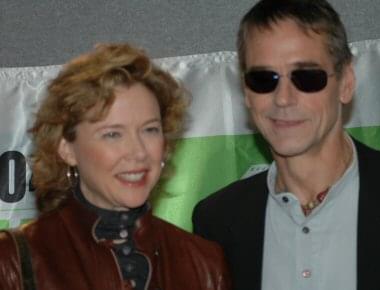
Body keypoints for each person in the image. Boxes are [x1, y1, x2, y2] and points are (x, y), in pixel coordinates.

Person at [192, 1, 380, 290]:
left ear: (345, 82)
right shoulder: (217, 222)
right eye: (263, 79)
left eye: (307, 77)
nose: (283, 98)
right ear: (247, 92)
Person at [0, 43, 231, 290]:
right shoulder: (12, 261)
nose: (138, 151)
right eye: (112, 134)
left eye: (150, 130)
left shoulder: (205, 263)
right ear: (66, 148)